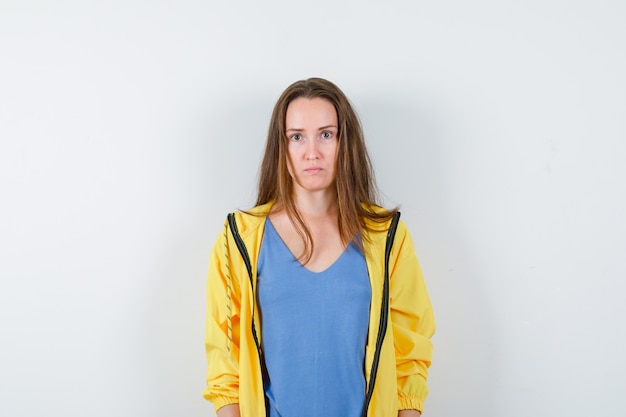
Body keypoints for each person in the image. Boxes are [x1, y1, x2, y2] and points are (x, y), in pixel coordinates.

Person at [202, 78, 435, 417]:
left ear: (345, 142)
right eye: (297, 136)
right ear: (281, 148)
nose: (312, 152)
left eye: (326, 134)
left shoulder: (387, 238)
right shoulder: (239, 239)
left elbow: (409, 353)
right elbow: (225, 358)